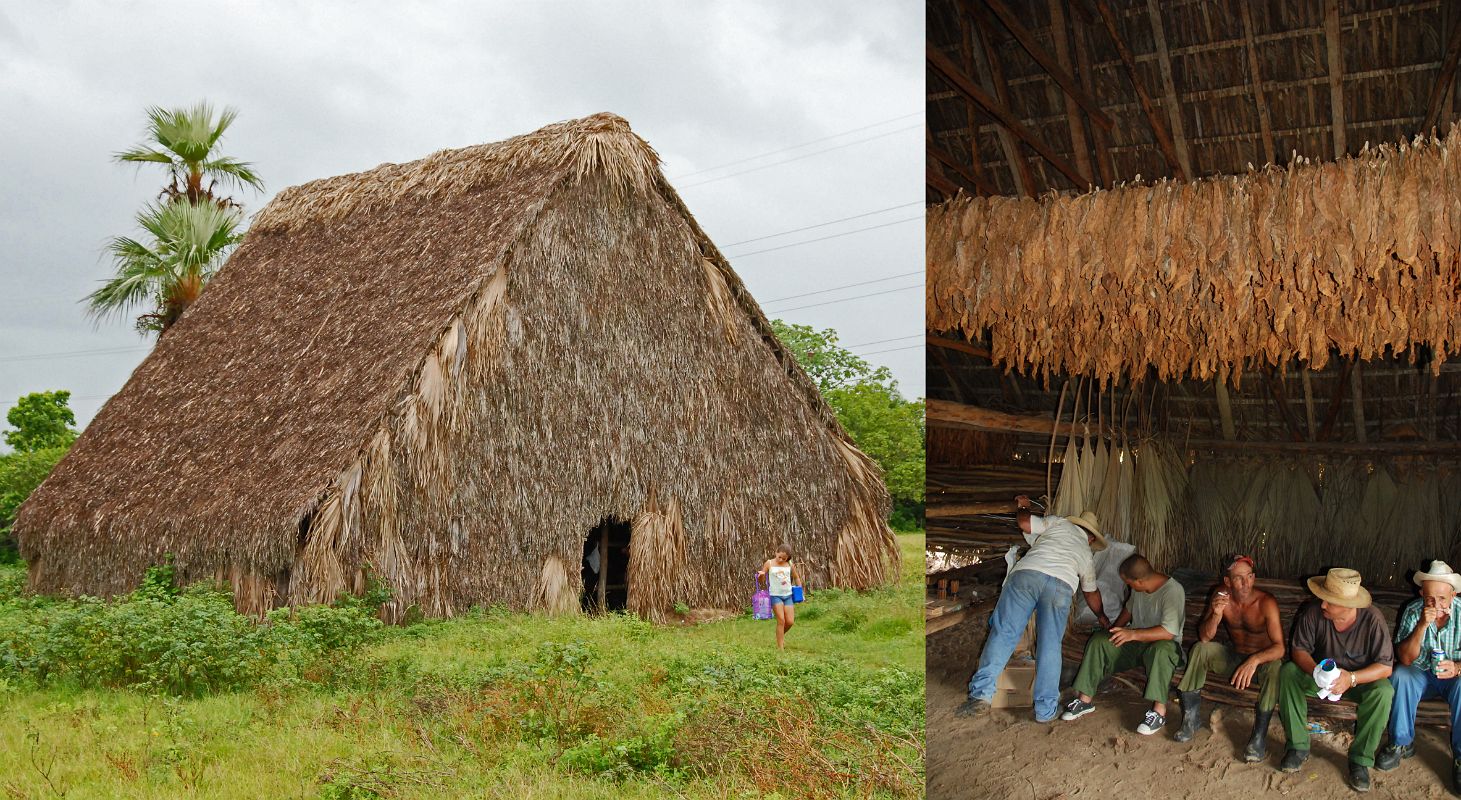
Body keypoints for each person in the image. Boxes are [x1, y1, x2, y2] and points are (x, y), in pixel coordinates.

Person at [956, 495, 1108, 723]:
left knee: (1004, 634)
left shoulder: (1058, 523)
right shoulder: (1086, 554)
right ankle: (1045, 711)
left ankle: (980, 697)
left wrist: (1024, 507)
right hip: (1060, 587)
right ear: (1090, 538)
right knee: (1050, 646)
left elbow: (1026, 524)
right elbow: (1091, 592)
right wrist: (1102, 617)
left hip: (1027, 576)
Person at [1276, 567, 1393, 793]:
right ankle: (1297, 746)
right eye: (1323, 599)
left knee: (1384, 692)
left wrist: (1351, 678)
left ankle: (1360, 759)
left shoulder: (1373, 619)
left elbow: (1385, 667)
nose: (1323, 605)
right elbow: (1299, 650)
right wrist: (1317, 672)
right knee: (1289, 672)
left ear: (1349, 606)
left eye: (1330, 602)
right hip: (1320, 679)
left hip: (1357, 681)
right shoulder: (1313, 613)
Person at [1174, 553, 1285, 760]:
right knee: (1200, 649)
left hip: (1261, 664)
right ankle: (1190, 719)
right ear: (1227, 581)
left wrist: (1254, 660)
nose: (1245, 582)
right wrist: (1216, 614)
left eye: (1249, 576)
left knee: (1276, 666)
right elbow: (1205, 638)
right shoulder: (1221, 596)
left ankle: (1258, 737)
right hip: (1234, 658)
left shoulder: (1266, 603)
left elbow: (1279, 648)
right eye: (1238, 577)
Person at [1061, 554, 1185, 735]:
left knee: (1161, 650)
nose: (1129, 587)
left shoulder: (1173, 591)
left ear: (1140, 581)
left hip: (1165, 647)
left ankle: (1159, 712)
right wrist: (1114, 630)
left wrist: (1133, 634)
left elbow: (1168, 632)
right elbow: (1128, 609)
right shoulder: (1139, 589)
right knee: (1100, 641)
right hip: (1137, 643)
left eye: (1130, 583)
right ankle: (1084, 700)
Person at [1376, 560, 1461, 793]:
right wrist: (1422, 625)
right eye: (1430, 598)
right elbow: (1405, 659)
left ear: (1454, 594)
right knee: (1401, 675)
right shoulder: (1414, 611)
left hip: (1454, 677)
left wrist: (1456, 667)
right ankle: (1401, 743)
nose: (1436, 604)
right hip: (1421, 674)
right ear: (1422, 593)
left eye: (1443, 598)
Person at [756, 545, 802, 650]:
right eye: (779, 557)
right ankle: (780, 648)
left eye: (784, 559)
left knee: (790, 622)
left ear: (787, 559)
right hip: (775, 595)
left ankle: (779, 635)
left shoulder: (789, 564)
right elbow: (761, 580)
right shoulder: (769, 563)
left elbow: (796, 577)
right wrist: (762, 575)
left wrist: (800, 591)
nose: (781, 560)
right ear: (776, 552)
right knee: (781, 620)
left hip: (788, 595)